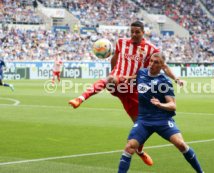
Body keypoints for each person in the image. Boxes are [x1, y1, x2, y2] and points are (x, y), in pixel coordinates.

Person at [68, 21, 184, 166]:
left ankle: (140, 151)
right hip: (118, 80)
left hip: (132, 89)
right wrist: (113, 71)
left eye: (137, 32)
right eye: (132, 32)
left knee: (139, 124)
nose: (134, 35)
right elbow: (115, 58)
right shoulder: (121, 42)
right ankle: (80, 98)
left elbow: (164, 66)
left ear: (143, 32)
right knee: (109, 79)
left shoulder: (151, 49)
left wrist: (176, 78)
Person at [117, 52, 204, 173]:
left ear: (162, 66)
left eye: (156, 62)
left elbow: (173, 105)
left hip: (162, 119)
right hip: (144, 120)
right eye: (151, 61)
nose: (152, 64)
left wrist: (160, 104)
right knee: (129, 147)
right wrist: (126, 79)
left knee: (181, 145)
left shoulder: (164, 81)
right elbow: (134, 78)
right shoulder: (141, 73)